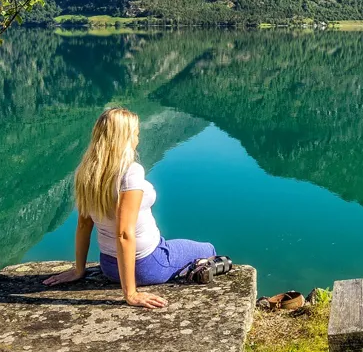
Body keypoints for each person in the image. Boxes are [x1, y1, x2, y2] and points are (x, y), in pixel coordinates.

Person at [42, 107, 230, 307]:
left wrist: (79, 270)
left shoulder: (87, 172)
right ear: (124, 138)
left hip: (109, 266)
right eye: (135, 134)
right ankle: (195, 268)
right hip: (148, 264)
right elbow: (124, 233)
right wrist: (130, 294)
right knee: (208, 249)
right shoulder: (130, 173)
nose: (137, 139)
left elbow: (83, 224)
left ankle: (188, 268)